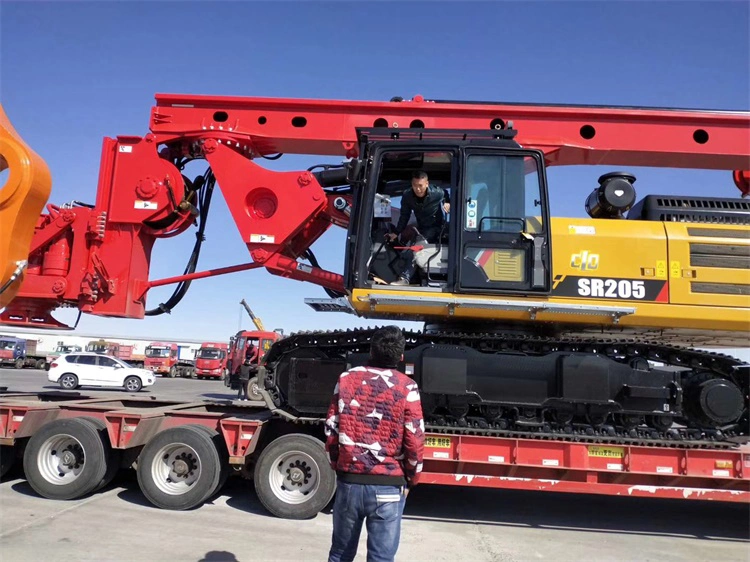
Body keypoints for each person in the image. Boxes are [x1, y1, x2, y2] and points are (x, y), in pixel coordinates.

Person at [324, 326, 425, 562]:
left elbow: (331, 428)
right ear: (401, 356)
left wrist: (338, 465)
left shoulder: (346, 379)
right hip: (388, 487)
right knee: (381, 558)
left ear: (370, 350)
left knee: (340, 553)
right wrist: (412, 478)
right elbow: (415, 439)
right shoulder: (407, 387)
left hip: (349, 481)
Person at [386, 170, 450, 285]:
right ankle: (407, 278)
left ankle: (406, 278)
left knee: (417, 247)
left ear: (427, 184)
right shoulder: (407, 196)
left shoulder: (436, 192)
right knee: (410, 250)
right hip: (423, 228)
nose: (418, 189)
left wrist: (447, 202)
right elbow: (404, 216)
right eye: (415, 186)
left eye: (420, 186)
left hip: (440, 226)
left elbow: (445, 193)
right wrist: (397, 232)